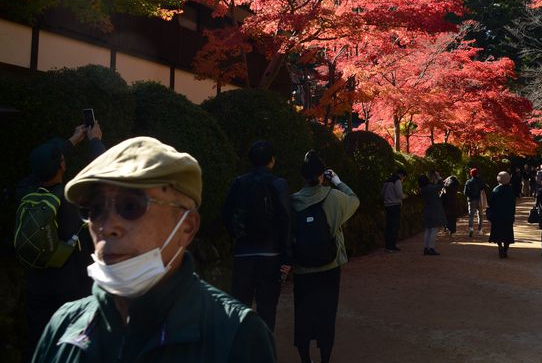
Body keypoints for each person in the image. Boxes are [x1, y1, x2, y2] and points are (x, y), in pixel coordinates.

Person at [33, 136, 276, 362]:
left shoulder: (236, 334)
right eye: (94, 210)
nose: (107, 227)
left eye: (130, 206)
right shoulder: (63, 326)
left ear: (187, 227)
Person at [16, 122, 105, 361]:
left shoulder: (24, 192)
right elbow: (104, 175)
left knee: (38, 340)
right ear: (62, 166)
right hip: (71, 286)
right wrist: (94, 140)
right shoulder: (73, 199)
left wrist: (71, 140)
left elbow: (37, 171)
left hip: (36, 283)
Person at [291, 150, 359, 363]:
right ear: (323, 175)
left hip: (302, 268)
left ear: (302, 176)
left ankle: (305, 359)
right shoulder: (334, 197)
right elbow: (355, 200)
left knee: (302, 314)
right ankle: (325, 359)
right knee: (326, 314)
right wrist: (338, 181)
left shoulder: (292, 201)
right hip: (330, 267)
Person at [222, 140, 291, 332]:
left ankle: (241, 350)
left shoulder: (238, 183)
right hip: (271, 254)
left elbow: (227, 215)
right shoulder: (279, 184)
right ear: (272, 160)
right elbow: (286, 220)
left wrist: (236, 236)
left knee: (241, 307)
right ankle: (264, 350)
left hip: (243, 252)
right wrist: (287, 255)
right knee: (267, 308)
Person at [488, 171, 516, 258]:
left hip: (497, 215)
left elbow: (491, 203)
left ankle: (500, 246)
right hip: (508, 215)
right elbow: (513, 203)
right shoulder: (510, 190)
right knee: (507, 233)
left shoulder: (496, 190)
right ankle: (505, 249)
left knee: (498, 232)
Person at [419, 174, 446, 255]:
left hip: (427, 210)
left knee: (427, 230)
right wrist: (438, 177)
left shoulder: (423, 189)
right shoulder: (430, 188)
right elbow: (441, 185)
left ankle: (426, 248)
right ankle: (431, 247)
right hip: (434, 211)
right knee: (433, 230)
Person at [382, 168, 407, 252]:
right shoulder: (397, 181)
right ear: (402, 175)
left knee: (389, 226)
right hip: (395, 205)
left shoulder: (387, 181)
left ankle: (388, 245)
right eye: (404, 177)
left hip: (387, 205)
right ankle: (391, 246)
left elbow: (382, 193)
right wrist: (405, 196)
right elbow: (399, 194)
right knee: (394, 226)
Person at [463, 168, 485, 238]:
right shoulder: (480, 181)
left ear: (471, 174)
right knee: (480, 214)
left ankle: (471, 228)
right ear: (477, 173)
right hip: (479, 200)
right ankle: (480, 229)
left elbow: (465, 192)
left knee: (471, 215)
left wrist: (470, 196)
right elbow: (483, 189)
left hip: (471, 200)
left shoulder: (468, 182)